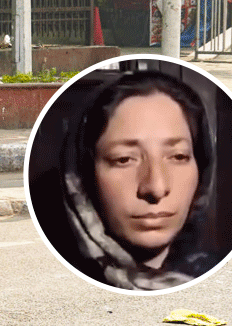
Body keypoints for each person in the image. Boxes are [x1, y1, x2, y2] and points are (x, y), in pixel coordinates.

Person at [33, 71, 219, 291]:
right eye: (124, 159)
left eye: (178, 156)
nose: (155, 188)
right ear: (83, 175)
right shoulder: (64, 281)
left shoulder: (216, 274)